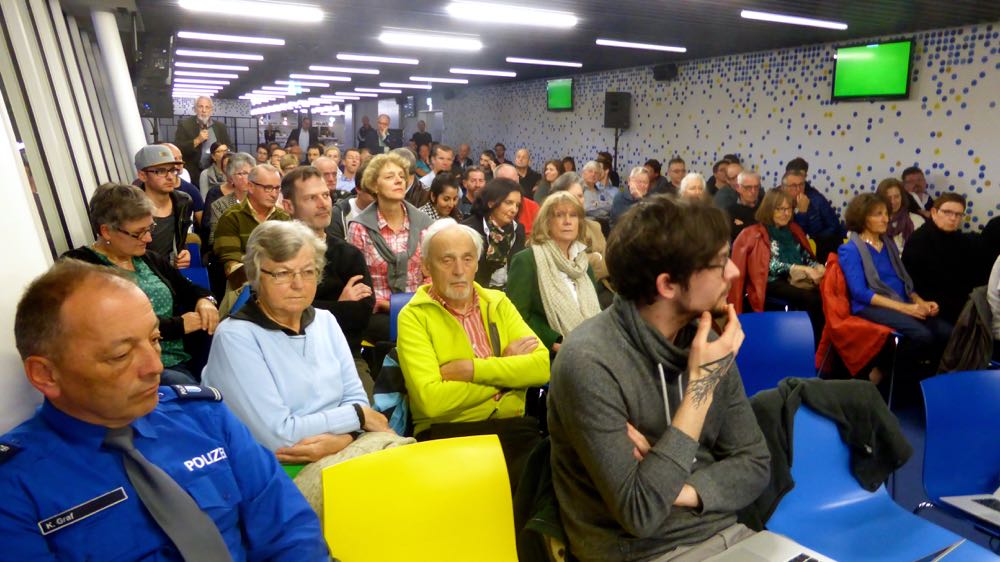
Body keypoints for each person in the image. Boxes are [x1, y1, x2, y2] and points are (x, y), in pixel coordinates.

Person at [1, 260, 327, 561]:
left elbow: (290, 531)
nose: (154, 366)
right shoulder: (15, 487)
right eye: (120, 356)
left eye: (154, 339)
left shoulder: (204, 419)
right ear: (46, 374)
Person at [548, 195, 770, 562]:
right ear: (667, 285)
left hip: (728, 534)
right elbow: (641, 512)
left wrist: (678, 488)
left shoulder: (707, 342)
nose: (732, 272)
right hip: (639, 553)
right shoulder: (588, 360)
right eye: (718, 264)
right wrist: (700, 390)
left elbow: (756, 463)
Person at [203, 221, 405, 513]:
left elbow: (356, 397)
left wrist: (343, 438)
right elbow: (279, 436)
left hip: (343, 449)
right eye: (283, 273)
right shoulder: (236, 336)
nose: (299, 284)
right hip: (278, 475)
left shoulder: (324, 321)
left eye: (308, 271)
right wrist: (356, 418)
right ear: (257, 276)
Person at [396, 219, 549, 488]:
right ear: (426, 266)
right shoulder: (413, 316)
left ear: (477, 264)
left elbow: (540, 367)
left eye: (467, 259)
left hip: (514, 428)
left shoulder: (498, 302)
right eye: (447, 260)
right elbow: (432, 401)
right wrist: (507, 373)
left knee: (552, 485)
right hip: (449, 433)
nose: (459, 270)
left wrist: (472, 370)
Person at [63, 182, 218, 384]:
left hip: (181, 359)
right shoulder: (79, 267)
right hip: (133, 367)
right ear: (107, 231)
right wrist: (179, 326)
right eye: (139, 232)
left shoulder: (148, 258)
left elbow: (190, 288)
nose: (148, 238)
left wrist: (205, 300)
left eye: (150, 228)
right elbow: (110, 327)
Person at [838, 193, 952, 382]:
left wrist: (920, 302)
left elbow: (903, 282)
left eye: (886, 213)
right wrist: (906, 308)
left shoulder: (888, 243)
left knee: (946, 332)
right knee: (922, 335)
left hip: (901, 301)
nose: (886, 219)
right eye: (878, 214)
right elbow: (860, 293)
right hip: (870, 306)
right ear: (862, 217)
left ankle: (923, 382)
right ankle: (883, 372)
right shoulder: (850, 249)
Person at [281, 166, 375, 389]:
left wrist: (310, 307)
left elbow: (361, 315)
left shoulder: (348, 254)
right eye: (312, 198)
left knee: (372, 417)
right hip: (285, 355)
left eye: (325, 195)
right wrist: (339, 305)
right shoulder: (275, 253)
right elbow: (280, 315)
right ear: (288, 206)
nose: (324, 204)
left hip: (343, 356)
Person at [348, 153, 433, 341]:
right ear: (374, 186)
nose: (398, 181)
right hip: (377, 311)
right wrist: (388, 305)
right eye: (389, 177)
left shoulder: (423, 223)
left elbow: (431, 276)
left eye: (402, 177)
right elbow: (358, 281)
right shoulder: (360, 227)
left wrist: (412, 303)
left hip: (420, 305)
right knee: (407, 333)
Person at [508, 191, 600, 353]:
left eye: (573, 216)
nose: (567, 222)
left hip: (591, 347)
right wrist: (554, 343)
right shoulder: (527, 260)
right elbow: (517, 315)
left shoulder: (584, 263)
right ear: (547, 222)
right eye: (559, 215)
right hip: (549, 353)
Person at [729, 189, 825, 341]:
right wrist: (796, 268)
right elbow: (768, 266)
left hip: (795, 279)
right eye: (779, 209)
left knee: (826, 294)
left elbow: (805, 256)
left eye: (788, 209)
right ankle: (812, 343)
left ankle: (821, 343)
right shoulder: (755, 233)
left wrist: (817, 266)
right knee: (812, 299)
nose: (785, 213)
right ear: (769, 210)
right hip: (769, 281)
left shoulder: (793, 231)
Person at [902, 193, 985, 324]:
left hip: (957, 304)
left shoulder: (960, 239)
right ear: (934, 212)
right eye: (947, 212)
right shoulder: (919, 240)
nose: (953, 218)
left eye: (958, 214)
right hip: (928, 305)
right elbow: (914, 283)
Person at [214, 164, 291, 278]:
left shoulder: (284, 218)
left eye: (277, 188)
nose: (274, 194)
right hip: (243, 284)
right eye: (268, 188)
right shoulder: (231, 217)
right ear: (250, 186)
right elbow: (231, 264)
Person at [551, 171, 613, 308]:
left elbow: (609, 263)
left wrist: (591, 260)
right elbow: (566, 268)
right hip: (569, 297)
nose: (578, 201)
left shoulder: (595, 227)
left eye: (580, 196)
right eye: (572, 196)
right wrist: (596, 258)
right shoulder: (551, 229)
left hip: (603, 288)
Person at [133, 145, 194, 269]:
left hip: (169, 274)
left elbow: (179, 239)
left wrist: (183, 252)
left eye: (172, 170)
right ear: (142, 175)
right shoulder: (130, 207)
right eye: (160, 171)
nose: (170, 176)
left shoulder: (183, 202)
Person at [462, 178, 525, 290]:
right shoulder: (468, 229)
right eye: (508, 203)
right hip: (477, 292)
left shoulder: (518, 229)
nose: (514, 209)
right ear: (491, 203)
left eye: (517, 205)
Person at [781, 161, 845, 261]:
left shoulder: (816, 199)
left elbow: (834, 226)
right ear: (784, 188)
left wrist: (815, 238)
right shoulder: (778, 202)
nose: (798, 189)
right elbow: (792, 236)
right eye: (793, 186)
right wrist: (801, 213)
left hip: (821, 249)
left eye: (801, 185)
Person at [174, 96, 232, 189]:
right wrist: (197, 140)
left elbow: (230, 149)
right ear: (195, 109)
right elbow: (178, 148)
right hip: (193, 173)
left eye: (207, 107)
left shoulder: (220, 127)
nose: (204, 110)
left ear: (211, 110)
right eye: (200, 107)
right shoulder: (185, 125)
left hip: (217, 174)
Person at [207, 152, 255, 245]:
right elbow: (214, 240)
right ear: (231, 178)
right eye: (242, 173)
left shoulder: (261, 202)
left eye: (251, 173)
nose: (248, 178)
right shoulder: (219, 205)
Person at [159, 142, 206, 228]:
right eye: (174, 158)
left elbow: (203, 224)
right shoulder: (142, 190)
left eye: (180, 158)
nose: (180, 162)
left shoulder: (191, 190)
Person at [875, 177, 924, 251]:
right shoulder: (873, 223)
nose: (892, 201)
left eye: (896, 197)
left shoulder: (917, 221)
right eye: (888, 198)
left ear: (902, 197)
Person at [725, 170, 762, 241]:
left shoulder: (765, 208)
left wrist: (743, 225)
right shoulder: (729, 211)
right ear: (738, 188)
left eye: (756, 187)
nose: (753, 191)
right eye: (748, 187)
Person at [581, 160, 617, 227]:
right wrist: (603, 210)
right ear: (583, 173)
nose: (593, 174)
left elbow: (613, 206)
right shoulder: (579, 190)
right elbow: (586, 210)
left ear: (599, 176)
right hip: (587, 225)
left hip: (604, 225)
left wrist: (597, 208)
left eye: (596, 173)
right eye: (590, 171)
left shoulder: (602, 192)